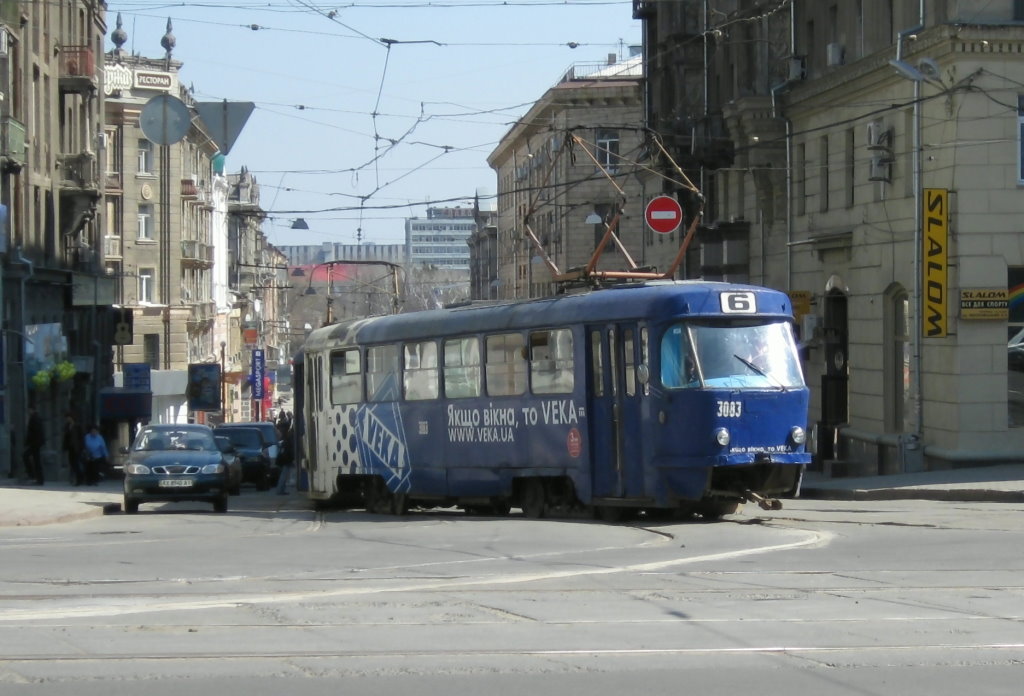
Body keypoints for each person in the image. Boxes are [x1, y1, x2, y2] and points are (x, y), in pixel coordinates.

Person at [63, 413, 85, 486]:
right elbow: (66, 437)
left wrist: (82, 447)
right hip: (70, 447)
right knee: (72, 463)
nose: (67, 419)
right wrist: (64, 447)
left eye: (68, 417)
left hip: (77, 448)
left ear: (71, 417)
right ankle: (79, 478)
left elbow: (81, 437)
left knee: (76, 464)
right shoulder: (67, 426)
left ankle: (79, 479)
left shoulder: (78, 426)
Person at [25, 407, 45, 485]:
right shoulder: (38, 418)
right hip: (37, 443)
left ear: (32, 410)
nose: (28, 412)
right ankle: (38, 478)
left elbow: (32, 432)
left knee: (28, 457)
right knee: (36, 461)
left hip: (35, 443)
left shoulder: (33, 418)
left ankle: (33, 475)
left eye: (29, 410)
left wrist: (27, 442)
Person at [275, 423, 295, 495]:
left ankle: (281, 490)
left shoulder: (284, 437)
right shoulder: (287, 438)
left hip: (284, 459)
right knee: (284, 475)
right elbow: (288, 449)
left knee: (284, 475)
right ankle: (280, 490)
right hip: (286, 459)